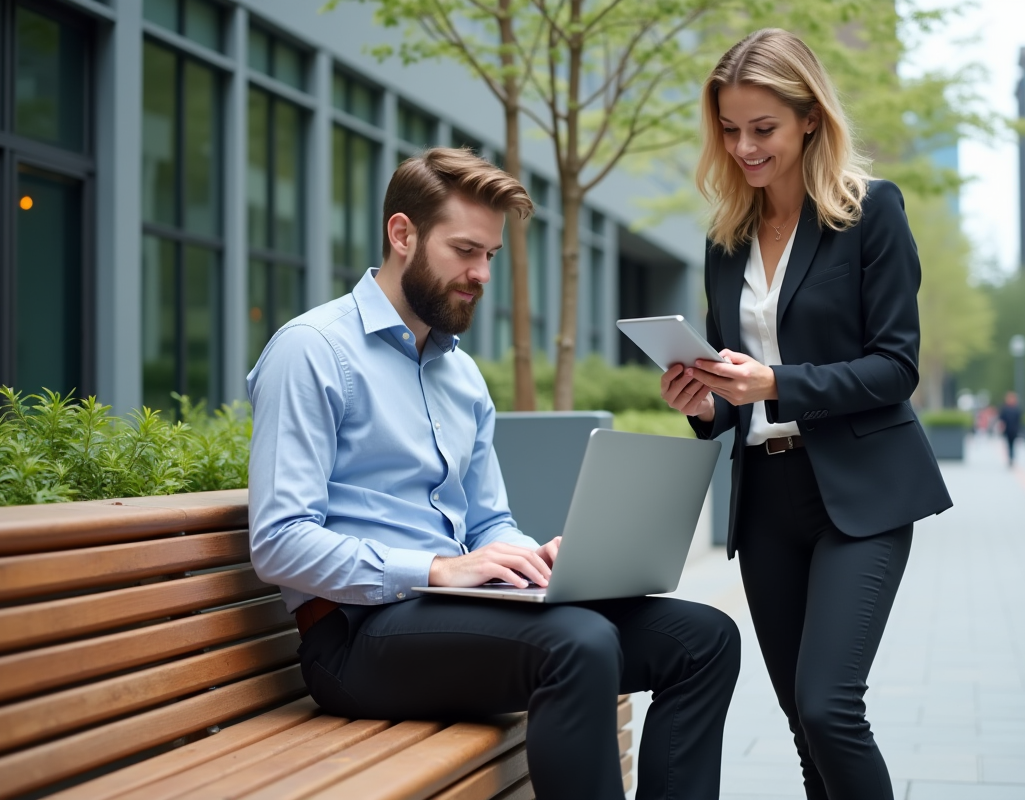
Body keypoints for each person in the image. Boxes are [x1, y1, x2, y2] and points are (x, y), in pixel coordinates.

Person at [246, 148, 740, 800]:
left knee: (704, 639)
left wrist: (528, 560)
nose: (481, 274)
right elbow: (278, 541)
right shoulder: (312, 351)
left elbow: (487, 520)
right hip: (354, 640)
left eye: (490, 257)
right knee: (580, 644)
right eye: (464, 251)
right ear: (402, 234)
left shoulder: (461, 375)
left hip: (452, 616)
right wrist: (433, 570)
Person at [659, 30, 953, 800]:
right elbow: (735, 388)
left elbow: (896, 367)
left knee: (829, 708)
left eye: (764, 129)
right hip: (766, 502)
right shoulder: (725, 244)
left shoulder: (870, 212)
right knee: (798, 717)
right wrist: (703, 403)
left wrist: (777, 384)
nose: (744, 146)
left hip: (861, 495)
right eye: (730, 129)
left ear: (810, 118)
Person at [998, 391, 1022, 466]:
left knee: (1013, 444)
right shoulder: (1005, 408)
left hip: (1014, 430)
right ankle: (1010, 458)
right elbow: (1002, 420)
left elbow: (1019, 420)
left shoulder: (1016, 409)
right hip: (1008, 430)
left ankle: (1012, 457)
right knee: (1009, 444)